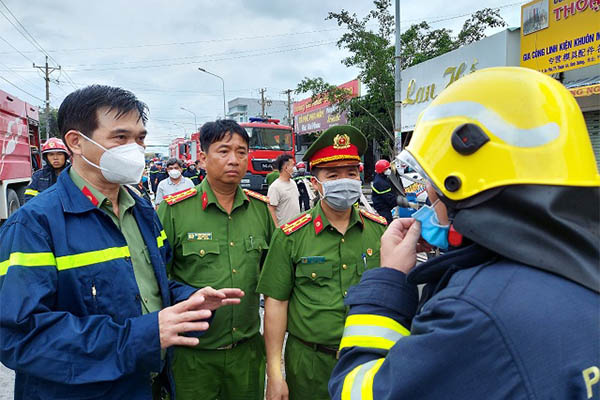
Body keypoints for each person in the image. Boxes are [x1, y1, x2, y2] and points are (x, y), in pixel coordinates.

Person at [329, 67, 600, 399]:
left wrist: (388, 281)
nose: (428, 192)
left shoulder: (475, 312)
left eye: (433, 179)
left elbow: (358, 390)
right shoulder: (581, 263)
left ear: (462, 182)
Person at [0, 85, 245, 400]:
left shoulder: (140, 209)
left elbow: (146, 287)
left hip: (148, 387)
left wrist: (189, 299)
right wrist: (143, 335)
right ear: (75, 142)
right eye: (120, 138)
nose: (135, 149)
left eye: (140, 138)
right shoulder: (35, 223)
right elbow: (21, 337)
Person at [257, 125, 388, 400]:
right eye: (333, 175)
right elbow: (276, 304)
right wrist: (275, 374)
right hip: (309, 366)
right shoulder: (291, 236)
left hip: (369, 362)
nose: (345, 180)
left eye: (351, 173)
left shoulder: (380, 231)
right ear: (316, 183)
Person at [157, 119, 275, 400]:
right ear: (202, 157)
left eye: (241, 151)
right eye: (223, 151)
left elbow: (274, 283)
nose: (233, 160)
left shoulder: (261, 210)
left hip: (246, 356)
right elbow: (157, 280)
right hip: (193, 358)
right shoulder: (174, 211)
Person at [24, 137, 70, 202]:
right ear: (46, 158)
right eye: (51, 154)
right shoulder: (38, 176)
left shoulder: (74, 174)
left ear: (65, 156)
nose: (55, 158)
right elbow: (29, 199)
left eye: (59, 154)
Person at [267, 154, 300, 226]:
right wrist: (277, 228)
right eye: (293, 165)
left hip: (296, 227)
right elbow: (271, 209)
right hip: (284, 229)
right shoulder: (275, 187)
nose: (295, 168)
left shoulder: (293, 183)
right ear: (286, 167)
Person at [371, 159, 397, 224]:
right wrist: (398, 201)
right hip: (382, 207)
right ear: (382, 170)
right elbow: (389, 198)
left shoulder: (381, 177)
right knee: (387, 222)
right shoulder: (381, 183)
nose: (388, 170)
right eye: (386, 169)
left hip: (382, 205)